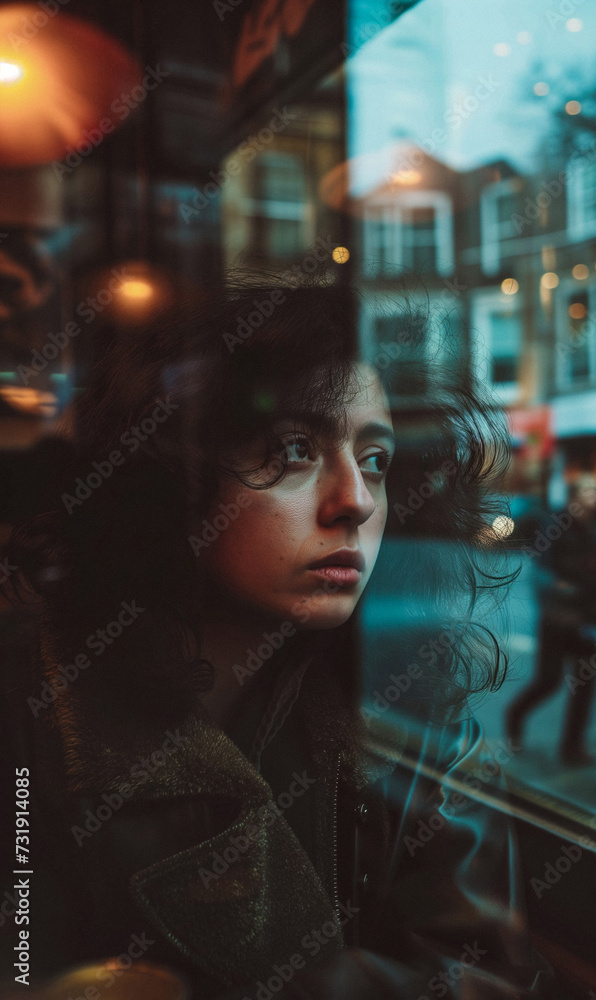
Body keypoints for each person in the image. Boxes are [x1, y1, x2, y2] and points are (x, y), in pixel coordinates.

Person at [0, 269, 556, 999]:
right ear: (171, 471)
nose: (354, 501)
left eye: (376, 460)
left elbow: (489, 973)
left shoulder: (408, 710)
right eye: (293, 448)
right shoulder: (31, 710)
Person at [505, 475, 596, 767]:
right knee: (548, 682)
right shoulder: (555, 528)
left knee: (586, 681)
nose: (594, 499)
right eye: (587, 493)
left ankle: (572, 746)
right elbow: (542, 576)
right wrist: (567, 593)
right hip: (557, 620)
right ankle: (514, 716)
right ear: (573, 499)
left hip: (584, 621)